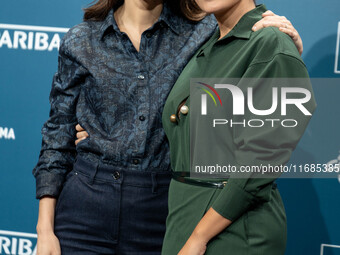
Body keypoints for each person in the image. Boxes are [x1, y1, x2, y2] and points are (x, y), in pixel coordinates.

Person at [33, 0, 304, 254]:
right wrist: (44, 229)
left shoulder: (204, 33)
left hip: (163, 207)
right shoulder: (82, 40)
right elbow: (58, 133)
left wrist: (285, 40)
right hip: (86, 203)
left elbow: (250, 54)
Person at [160, 0, 317, 255]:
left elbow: (260, 162)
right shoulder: (210, 42)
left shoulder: (271, 42)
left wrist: (199, 237)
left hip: (232, 228)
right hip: (184, 218)